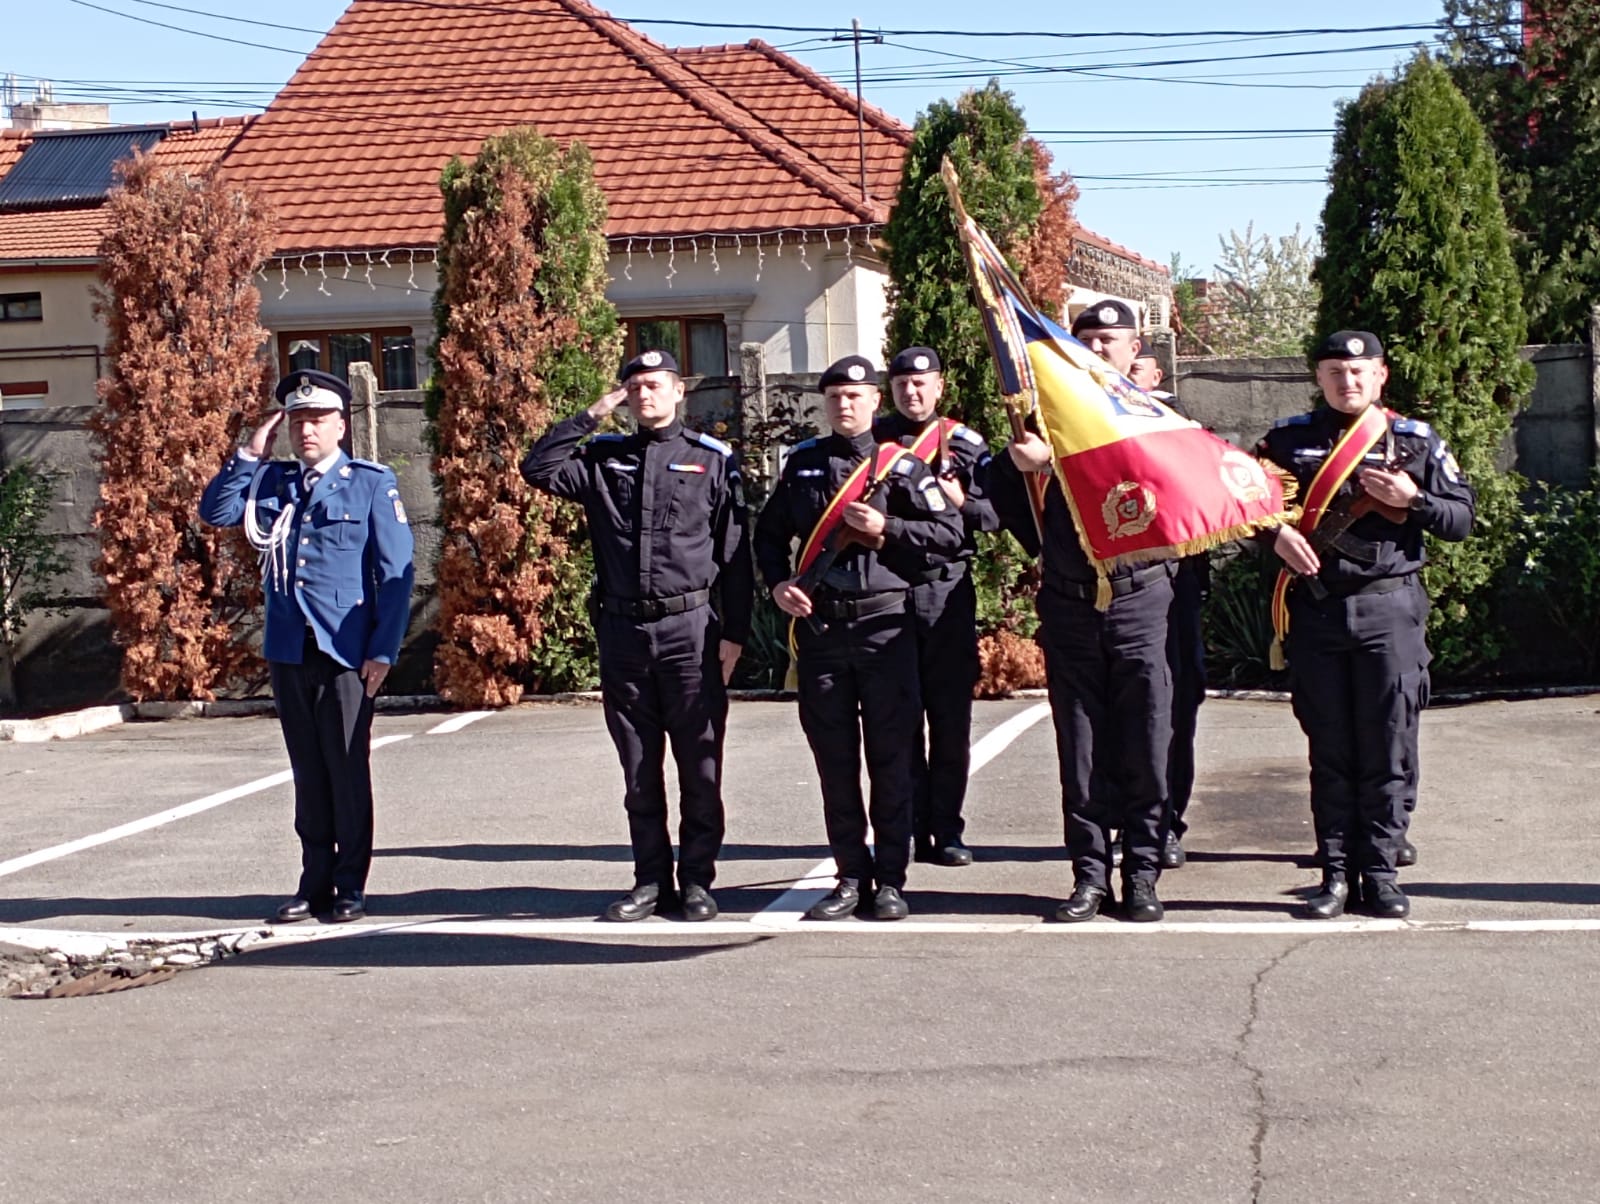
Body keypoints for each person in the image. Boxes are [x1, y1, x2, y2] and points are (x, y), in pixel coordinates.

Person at [522, 349, 752, 923]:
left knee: (700, 765)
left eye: (655, 385)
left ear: (679, 392)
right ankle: (650, 879)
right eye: (634, 387)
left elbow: (736, 557)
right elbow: (538, 468)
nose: (644, 395)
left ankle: (697, 880)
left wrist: (736, 635)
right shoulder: (603, 458)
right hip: (624, 629)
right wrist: (590, 416)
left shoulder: (712, 461)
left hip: (691, 629)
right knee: (638, 768)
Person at [1255, 331, 1474, 919]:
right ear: (1319, 377)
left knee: (1387, 745)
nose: (1346, 382)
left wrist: (1414, 499)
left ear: (1381, 375)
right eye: (1334, 371)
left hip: (1389, 610)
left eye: (1358, 371)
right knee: (1329, 747)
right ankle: (1333, 874)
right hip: (1318, 611)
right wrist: (1274, 534)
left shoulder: (1414, 440)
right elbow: (1242, 507)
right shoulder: (1287, 441)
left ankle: (1378, 874)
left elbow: (1460, 519)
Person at [200, 369, 415, 924]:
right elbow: (216, 512)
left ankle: (350, 885)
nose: (306, 430)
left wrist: (383, 651)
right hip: (290, 646)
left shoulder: (369, 482)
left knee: (346, 770)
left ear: (341, 424)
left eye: (317, 419)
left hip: (345, 650)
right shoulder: (273, 482)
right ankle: (313, 880)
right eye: (297, 421)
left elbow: (395, 573)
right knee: (307, 772)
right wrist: (249, 453)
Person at [754, 354, 963, 921]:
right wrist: (778, 586)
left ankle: (891, 879)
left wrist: (888, 528)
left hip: (886, 628)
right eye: (834, 397)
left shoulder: (903, 466)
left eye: (855, 396)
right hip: (822, 629)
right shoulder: (802, 463)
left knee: (892, 759)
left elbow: (948, 533)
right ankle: (850, 875)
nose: (844, 405)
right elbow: (768, 538)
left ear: (875, 400)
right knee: (835, 762)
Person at [985, 299, 1174, 923]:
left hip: (1140, 597)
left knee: (1146, 743)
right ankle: (1090, 875)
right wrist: (1025, 470)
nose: (1096, 350)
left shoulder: (1153, 420)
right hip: (1070, 604)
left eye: (1109, 341)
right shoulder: (1041, 423)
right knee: (1082, 747)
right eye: (1084, 339)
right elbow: (1004, 498)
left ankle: (1142, 873)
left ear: (1134, 350)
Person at [873, 346, 999, 867]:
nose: (912, 392)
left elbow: (995, 516)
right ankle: (905, 827)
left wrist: (960, 503)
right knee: (897, 721)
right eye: (903, 383)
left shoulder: (964, 445)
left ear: (940, 387)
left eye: (922, 383)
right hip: (887, 588)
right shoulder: (874, 440)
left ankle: (946, 828)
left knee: (949, 722)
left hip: (946, 591)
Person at [1130, 342, 1207, 870]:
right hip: (1111, 590)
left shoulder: (1180, 423)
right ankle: (1122, 822)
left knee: (1175, 708)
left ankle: (1166, 821)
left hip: (1174, 585)